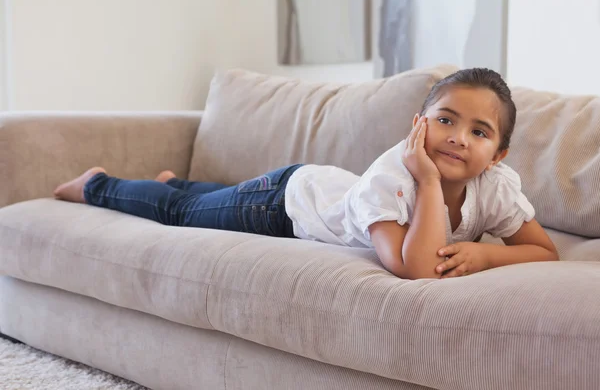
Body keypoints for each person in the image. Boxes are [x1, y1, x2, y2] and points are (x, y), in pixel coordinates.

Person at [53, 68, 559, 280]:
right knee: (185, 213)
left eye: (478, 132)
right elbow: (415, 268)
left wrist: (486, 254)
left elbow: (544, 250)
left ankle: (171, 181)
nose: (457, 137)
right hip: (284, 204)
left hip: (320, 187)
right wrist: (427, 181)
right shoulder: (395, 177)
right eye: (445, 120)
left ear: (497, 155)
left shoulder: (494, 186)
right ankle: (97, 183)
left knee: (209, 198)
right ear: (418, 125)